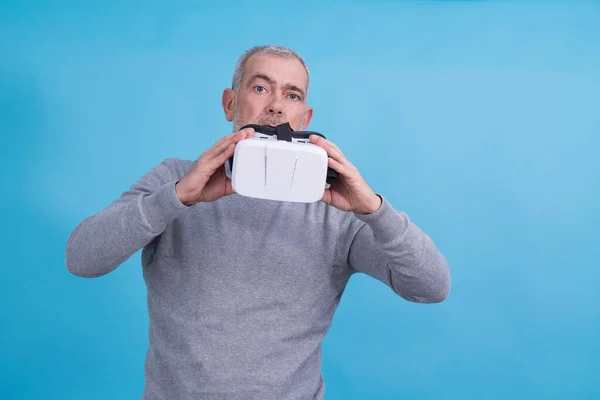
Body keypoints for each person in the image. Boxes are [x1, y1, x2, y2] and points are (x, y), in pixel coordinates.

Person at [65, 44, 451, 400]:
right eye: (261, 89)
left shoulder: (337, 209)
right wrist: (178, 197)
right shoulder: (174, 178)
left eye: (292, 95)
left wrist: (373, 209)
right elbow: (82, 259)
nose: (277, 107)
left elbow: (432, 286)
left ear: (305, 117)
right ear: (230, 103)